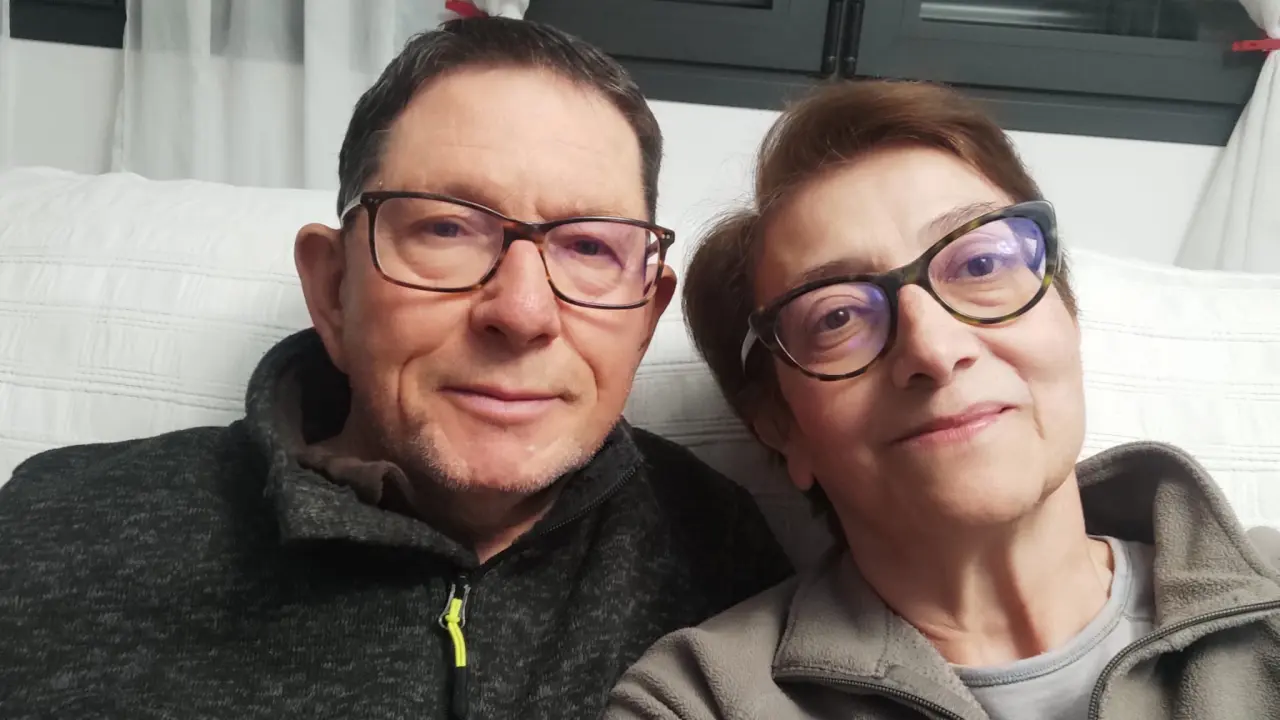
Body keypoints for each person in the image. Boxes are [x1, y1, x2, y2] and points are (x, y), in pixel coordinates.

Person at [0, 17, 792, 720]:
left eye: (589, 246)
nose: (522, 312)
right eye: (447, 228)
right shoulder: (57, 531)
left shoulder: (719, 552)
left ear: (645, 319)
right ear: (334, 290)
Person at [605, 79, 1280, 720]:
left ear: (1067, 318)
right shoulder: (698, 701)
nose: (933, 348)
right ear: (784, 427)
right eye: (837, 316)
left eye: (981, 265)